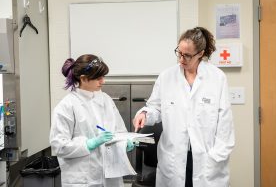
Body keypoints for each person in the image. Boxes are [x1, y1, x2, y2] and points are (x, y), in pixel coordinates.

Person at [133, 27, 235, 187]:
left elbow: (225, 122)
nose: (181, 59)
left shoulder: (217, 78)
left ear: (200, 53)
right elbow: (155, 107)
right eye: (179, 52)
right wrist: (145, 114)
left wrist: (217, 155)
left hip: (205, 157)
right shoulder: (166, 76)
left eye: (187, 55)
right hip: (174, 157)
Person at [50, 54, 136, 187]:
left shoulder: (106, 99)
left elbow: (118, 130)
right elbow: (59, 146)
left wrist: (124, 142)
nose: (103, 81)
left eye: (103, 77)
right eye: (98, 78)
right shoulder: (67, 106)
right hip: (83, 179)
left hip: (110, 177)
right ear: (83, 79)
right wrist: (89, 144)